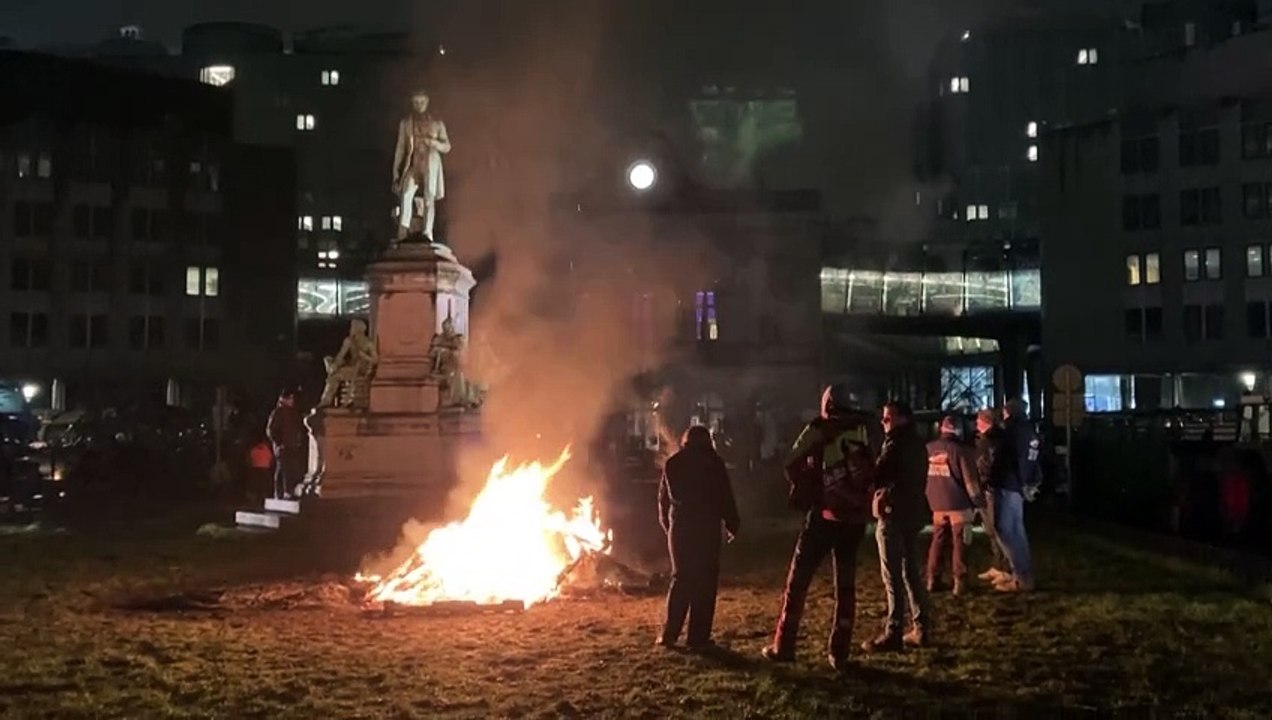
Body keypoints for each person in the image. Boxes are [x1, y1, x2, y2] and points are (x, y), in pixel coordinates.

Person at [761, 384, 875, 671]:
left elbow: (790, 463)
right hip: (854, 520)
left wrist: (808, 484)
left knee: (798, 582)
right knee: (846, 587)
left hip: (823, 517)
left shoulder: (819, 429)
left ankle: (784, 646)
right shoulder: (862, 429)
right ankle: (840, 653)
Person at [656, 425, 740, 651]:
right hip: (706, 528)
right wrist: (733, 523)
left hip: (681, 528)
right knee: (705, 581)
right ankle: (698, 637)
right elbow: (724, 495)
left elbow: (663, 501)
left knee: (681, 579)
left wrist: (668, 526)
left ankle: (669, 635)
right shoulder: (714, 463)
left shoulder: (673, 464)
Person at [863, 400, 933, 652]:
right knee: (910, 572)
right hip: (913, 513)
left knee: (892, 576)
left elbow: (878, 473)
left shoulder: (894, 444)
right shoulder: (917, 443)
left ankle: (893, 632)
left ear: (902, 418)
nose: (884, 422)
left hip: (893, 513)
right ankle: (922, 627)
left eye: (888, 417)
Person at [977, 403, 1037, 592]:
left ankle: (1021, 577)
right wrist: (1030, 482)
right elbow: (1031, 459)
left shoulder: (1010, 432)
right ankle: (1021, 573)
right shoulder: (1029, 431)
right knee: (1016, 531)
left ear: (1009, 412)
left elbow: (1005, 460)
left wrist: (993, 480)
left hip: (1006, 485)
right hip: (1018, 487)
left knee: (1005, 531)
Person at [925, 416, 983, 596]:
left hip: (936, 502)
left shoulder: (928, 449)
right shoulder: (962, 451)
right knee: (961, 541)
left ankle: (932, 579)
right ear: (958, 430)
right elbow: (970, 481)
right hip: (959, 503)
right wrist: (978, 502)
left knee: (938, 540)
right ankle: (960, 581)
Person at [266, 387, 306, 500]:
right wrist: (279, 443)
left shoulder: (291, 412)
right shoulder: (278, 412)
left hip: (291, 445)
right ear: (284, 399)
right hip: (283, 447)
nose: (292, 401)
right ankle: (283, 492)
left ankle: (284, 492)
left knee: (287, 468)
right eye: (290, 398)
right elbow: (271, 430)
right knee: (284, 469)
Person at [246, 436, 273, 504]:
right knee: (264, 485)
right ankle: (263, 496)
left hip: (255, 468)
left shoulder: (253, 449)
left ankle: (254, 498)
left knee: (255, 485)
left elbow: (248, 459)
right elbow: (271, 460)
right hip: (265, 469)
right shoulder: (267, 450)